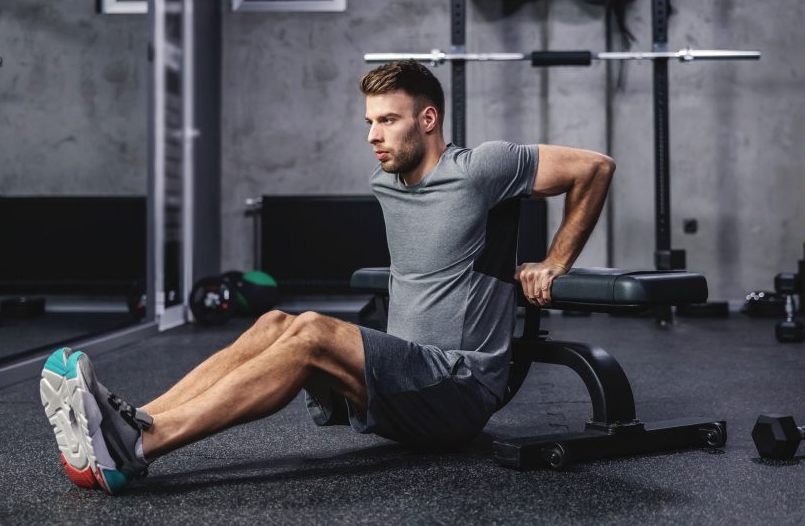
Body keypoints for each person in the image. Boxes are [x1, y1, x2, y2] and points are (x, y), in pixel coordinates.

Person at [39, 60, 615, 494]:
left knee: (312, 330)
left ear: (428, 118)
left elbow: (593, 167)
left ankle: (139, 446)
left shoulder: (483, 168)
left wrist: (553, 261)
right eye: (369, 122)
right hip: (403, 375)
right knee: (272, 323)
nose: (373, 135)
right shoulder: (385, 183)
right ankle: (135, 419)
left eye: (388, 120)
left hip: (458, 386)